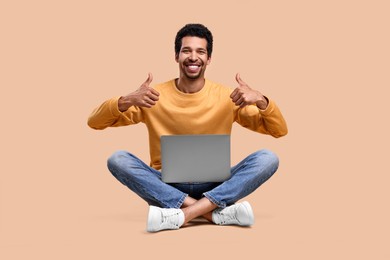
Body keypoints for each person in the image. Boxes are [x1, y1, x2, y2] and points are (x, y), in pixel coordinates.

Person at [87, 23, 288, 232]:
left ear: (209, 58)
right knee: (117, 159)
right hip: (166, 185)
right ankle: (212, 212)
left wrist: (262, 101)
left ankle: (183, 213)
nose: (193, 57)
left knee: (268, 158)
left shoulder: (228, 97)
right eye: (186, 50)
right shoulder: (152, 97)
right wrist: (126, 100)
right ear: (176, 56)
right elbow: (94, 122)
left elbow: (279, 130)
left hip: (216, 185)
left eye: (200, 51)